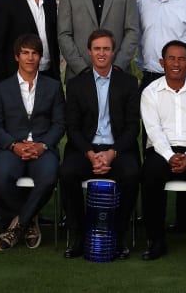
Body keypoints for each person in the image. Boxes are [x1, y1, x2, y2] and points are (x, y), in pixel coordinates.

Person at [60, 29, 141, 259]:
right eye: (97, 49)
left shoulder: (128, 83)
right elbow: (72, 127)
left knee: (132, 173)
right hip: (86, 148)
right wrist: (90, 154)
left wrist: (111, 154)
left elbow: (133, 127)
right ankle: (79, 234)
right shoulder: (76, 84)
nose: (102, 53)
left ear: (113, 51)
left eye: (106, 48)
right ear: (89, 52)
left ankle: (119, 234)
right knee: (67, 173)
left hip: (117, 148)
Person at [139, 41, 186, 262]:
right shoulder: (150, 92)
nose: (176, 63)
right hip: (161, 150)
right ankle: (156, 242)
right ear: (162, 63)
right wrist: (170, 156)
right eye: (171, 58)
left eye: (181, 59)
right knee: (150, 175)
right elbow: (153, 129)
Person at [0, 34, 66, 251]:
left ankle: (16, 226)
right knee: (1, 176)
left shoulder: (52, 86)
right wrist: (14, 145)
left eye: (34, 53)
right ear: (17, 56)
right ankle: (29, 220)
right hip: (12, 148)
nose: (30, 58)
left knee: (50, 176)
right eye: (25, 53)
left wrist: (43, 146)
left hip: (43, 148)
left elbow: (59, 124)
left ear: (40, 57)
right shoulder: (2, 88)